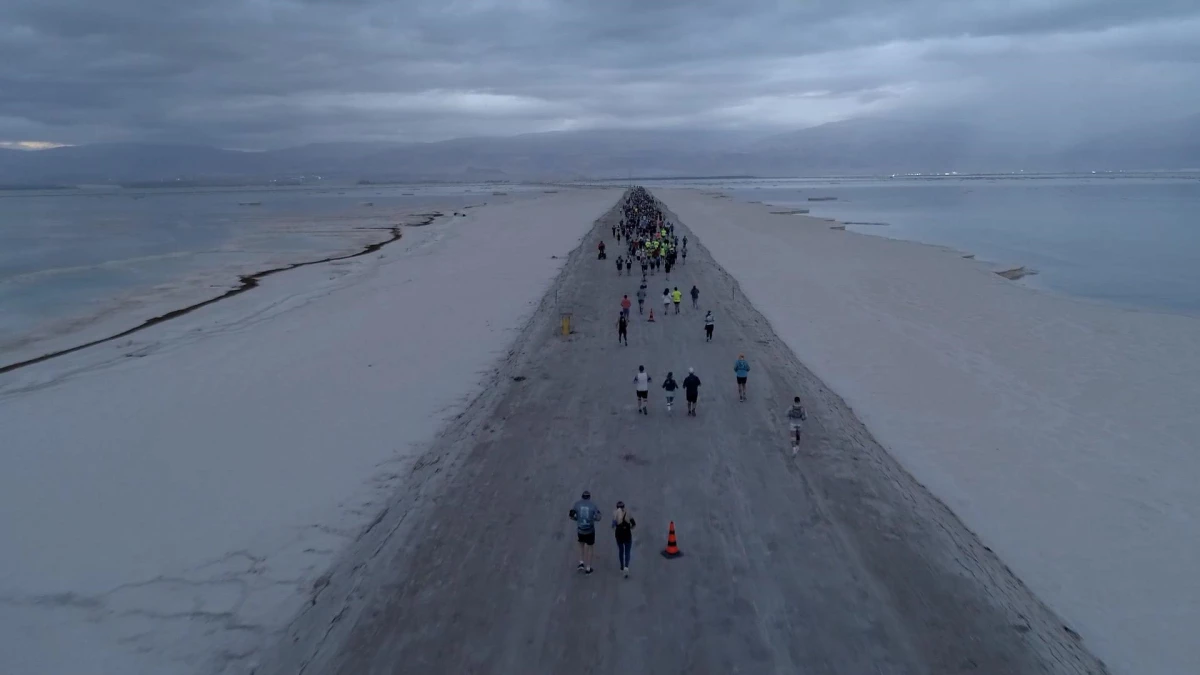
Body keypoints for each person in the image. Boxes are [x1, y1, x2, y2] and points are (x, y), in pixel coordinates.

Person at [569, 490, 602, 574]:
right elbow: (598, 518)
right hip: (590, 530)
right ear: (589, 497)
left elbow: (571, 516)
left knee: (581, 545)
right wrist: (593, 519)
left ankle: (581, 562)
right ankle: (588, 567)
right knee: (590, 547)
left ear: (582, 497)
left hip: (580, 530)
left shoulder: (577, 504)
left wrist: (578, 519)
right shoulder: (593, 505)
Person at [612, 502, 636, 577]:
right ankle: (626, 567)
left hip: (619, 536)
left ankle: (621, 567)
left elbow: (613, 525)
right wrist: (630, 528)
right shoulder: (628, 513)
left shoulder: (615, 514)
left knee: (621, 551)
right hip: (627, 535)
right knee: (627, 552)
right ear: (623, 507)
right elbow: (634, 524)